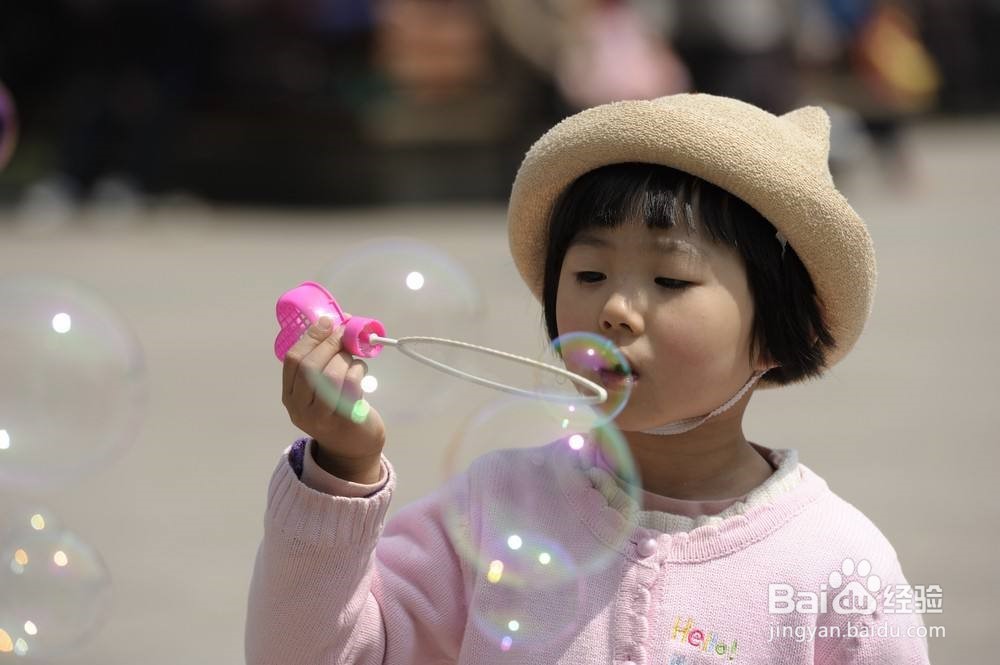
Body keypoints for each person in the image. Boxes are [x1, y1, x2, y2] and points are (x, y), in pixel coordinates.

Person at [245, 93, 931, 664]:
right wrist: (340, 471)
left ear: (775, 333)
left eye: (670, 278)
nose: (615, 308)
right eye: (589, 274)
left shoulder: (840, 566)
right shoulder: (495, 506)